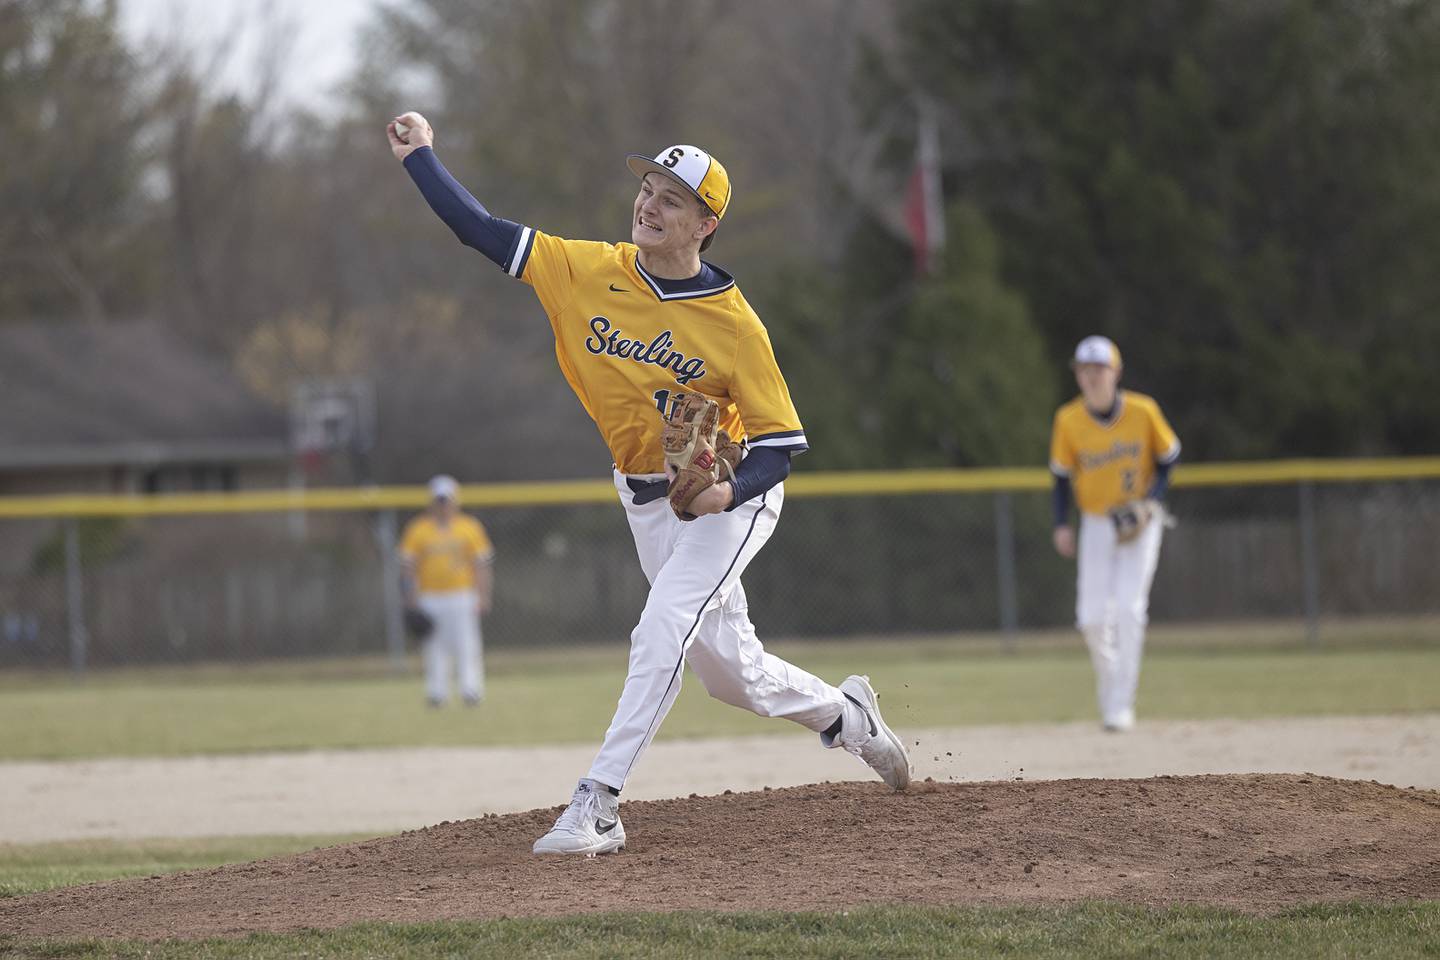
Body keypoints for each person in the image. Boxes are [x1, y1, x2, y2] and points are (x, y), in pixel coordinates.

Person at [388, 112, 910, 856]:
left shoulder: (735, 327)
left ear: (706, 222)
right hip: (646, 500)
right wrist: (421, 158)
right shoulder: (582, 269)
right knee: (733, 677)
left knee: (661, 626)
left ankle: (597, 803)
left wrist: (728, 494)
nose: (649, 204)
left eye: (671, 197)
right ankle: (848, 717)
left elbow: (780, 445)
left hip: (730, 500)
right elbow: (479, 229)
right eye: (647, 188)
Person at [1049, 336, 1180, 732]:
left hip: (1138, 521)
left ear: (1116, 372)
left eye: (1098, 369)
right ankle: (1110, 682)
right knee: (1090, 619)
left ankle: (1121, 704)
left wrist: (1152, 500)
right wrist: (1061, 523)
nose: (1090, 376)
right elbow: (1060, 477)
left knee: (1128, 609)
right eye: (1083, 370)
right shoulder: (1068, 419)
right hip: (1095, 522)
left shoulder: (1143, 411)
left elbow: (1169, 458)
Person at [399, 474, 495, 707]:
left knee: (467, 645)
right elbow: (408, 567)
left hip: (462, 594)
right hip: (430, 596)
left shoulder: (469, 527)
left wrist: (483, 595)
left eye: (447, 500)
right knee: (434, 647)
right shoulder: (418, 529)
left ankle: (470, 690)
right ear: (432, 502)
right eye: (439, 500)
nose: (443, 505)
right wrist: (410, 598)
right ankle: (437, 693)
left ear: (455, 501)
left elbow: (481, 565)